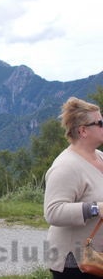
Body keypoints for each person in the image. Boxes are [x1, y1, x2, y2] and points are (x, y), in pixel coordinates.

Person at [44, 97, 103, 279]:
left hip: (97, 258)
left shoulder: (99, 156)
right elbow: (53, 212)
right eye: (100, 123)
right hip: (75, 264)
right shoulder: (66, 166)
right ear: (83, 130)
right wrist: (95, 208)